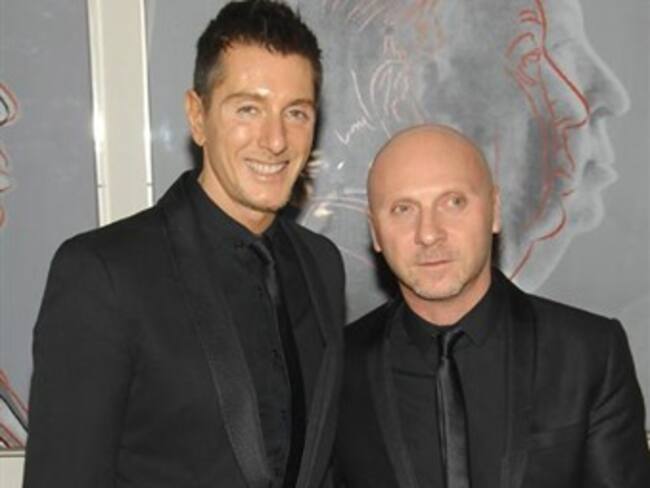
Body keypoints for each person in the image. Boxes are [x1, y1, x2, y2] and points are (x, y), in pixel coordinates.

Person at [23, 1, 345, 487]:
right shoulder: (103, 274)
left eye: (295, 112)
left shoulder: (321, 264)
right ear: (197, 116)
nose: (276, 140)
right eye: (248, 109)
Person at [334, 124, 649, 487]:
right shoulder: (338, 368)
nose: (429, 233)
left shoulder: (588, 353)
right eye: (403, 209)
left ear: (494, 210)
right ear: (375, 232)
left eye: (453, 202)